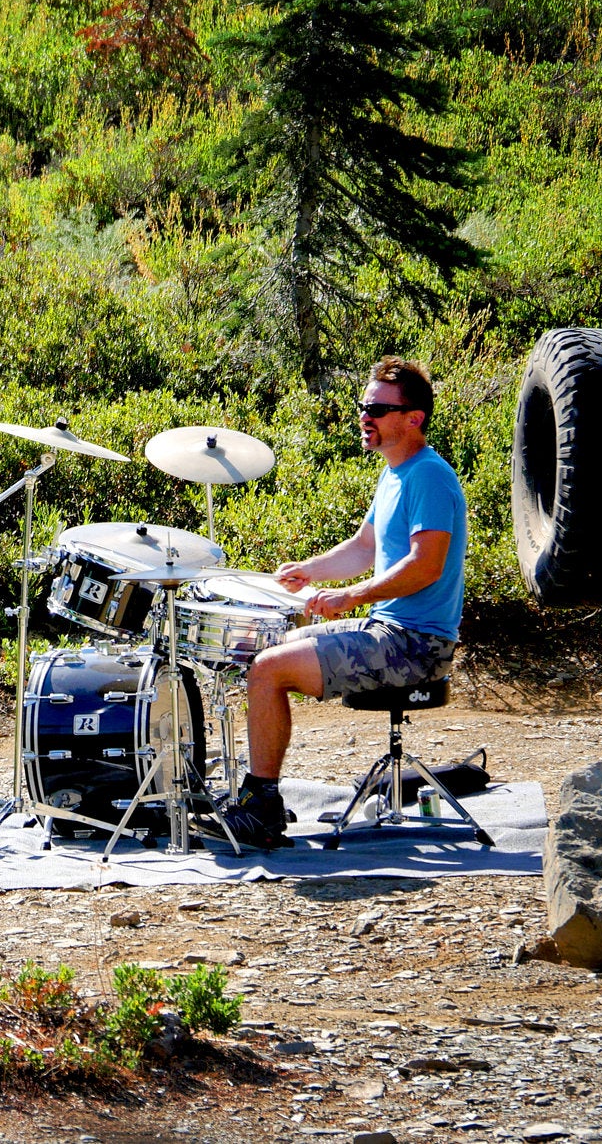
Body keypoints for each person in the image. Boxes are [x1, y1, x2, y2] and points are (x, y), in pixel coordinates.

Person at [218, 356, 468, 849]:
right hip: (388, 631)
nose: (364, 416)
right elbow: (363, 547)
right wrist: (309, 571)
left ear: (413, 418)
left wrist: (351, 596)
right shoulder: (395, 473)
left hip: (416, 645)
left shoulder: (429, 477)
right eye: (363, 405)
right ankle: (257, 796)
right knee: (263, 654)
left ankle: (260, 808)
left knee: (269, 669)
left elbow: (426, 564)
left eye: (377, 407)